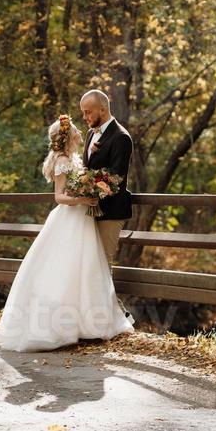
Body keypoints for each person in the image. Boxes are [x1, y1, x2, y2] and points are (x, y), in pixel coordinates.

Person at [0, 114, 135, 352]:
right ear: (68, 136)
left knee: (86, 268)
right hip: (70, 218)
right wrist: (82, 198)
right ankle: (60, 325)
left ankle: (88, 324)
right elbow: (59, 196)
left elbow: (88, 172)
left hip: (82, 218)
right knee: (65, 268)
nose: (81, 131)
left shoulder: (73, 156)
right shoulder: (61, 160)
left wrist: (90, 180)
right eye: (76, 130)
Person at [79, 88, 135, 323]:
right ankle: (106, 318)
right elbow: (88, 168)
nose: (85, 117)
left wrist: (87, 187)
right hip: (90, 210)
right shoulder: (92, 135)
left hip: (111, 211)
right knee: (91, 265)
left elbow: (115, 178)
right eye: (83, 113)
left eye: (88, 112)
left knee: (102, 264)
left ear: (103, 108)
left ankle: (121, 317)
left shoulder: (121, 137)